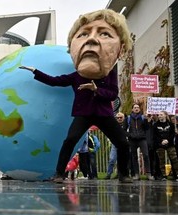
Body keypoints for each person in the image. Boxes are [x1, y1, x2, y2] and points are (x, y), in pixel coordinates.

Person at [20, 9, 133, 183]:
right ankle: (59, 174)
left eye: (104, 34)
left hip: (103, 114)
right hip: (84, 114)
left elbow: (113, 94)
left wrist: (96, 89)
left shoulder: (109, 73)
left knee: (122, 143)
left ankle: (124, 174)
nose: (92, 40)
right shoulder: (77, 75)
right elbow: (55, 81)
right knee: (70, 140)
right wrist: (36, 71)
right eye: (83, 34)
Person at [126, 104, 153, 180]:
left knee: (146, 155)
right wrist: (130, 135)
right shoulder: (128, 118)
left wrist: (148, 121)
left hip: (142, 139)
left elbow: (147, 128)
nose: (136, 108)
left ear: (139, 109)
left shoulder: (142, 117)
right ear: (132, 109)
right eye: (135, 107)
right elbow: (124, 130)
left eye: (137, 107)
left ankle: (148, 173)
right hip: (132, 140)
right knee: (134, 157)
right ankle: (137, 174)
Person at [153, 111, 178, 180]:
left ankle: (176, 174)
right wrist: (161, 141)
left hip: (170, 144)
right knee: (162, 159)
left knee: (174, 158)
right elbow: (155, 135)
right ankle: (164, 175)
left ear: (165, 115)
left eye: (161, 114)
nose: (159, 116)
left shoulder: (170, 124)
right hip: (160, 145)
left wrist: (168, 140)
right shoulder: (155, 125)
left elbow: (172, 134)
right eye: (159, 115)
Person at [105, 112, 127, 179]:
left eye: (121, 117)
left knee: (122, 160)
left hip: (124, 144)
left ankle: (120, 174)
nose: (119, 119)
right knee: (112, 159)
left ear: (124, 118)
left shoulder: (127, 125)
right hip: (115, 144)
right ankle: (108, 174)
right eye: (118, 118)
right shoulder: (113, 125)